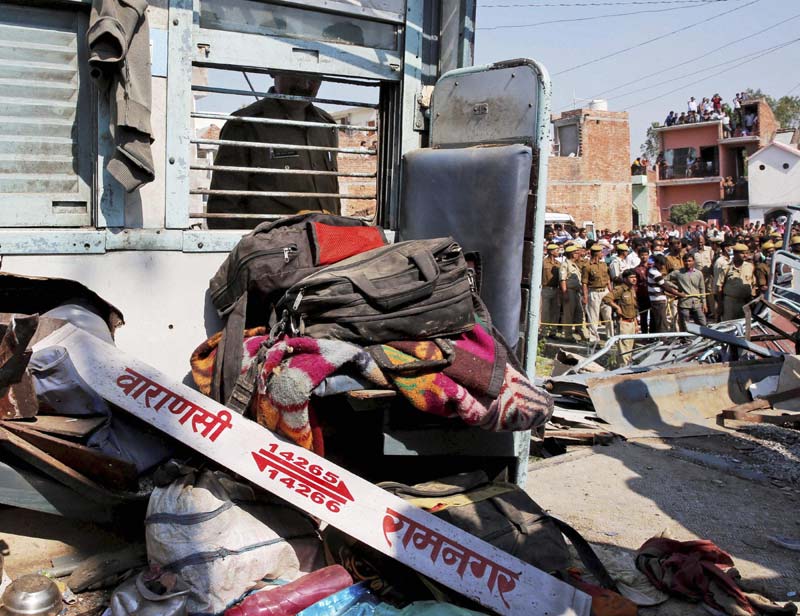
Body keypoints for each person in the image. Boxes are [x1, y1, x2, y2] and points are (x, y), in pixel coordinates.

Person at [207, 74, 340, 229]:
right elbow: (223, 211)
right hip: (274, 249)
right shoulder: (246, 125)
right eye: (296, 75)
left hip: (328, 245)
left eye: (313, 78)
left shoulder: (326, 125)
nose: (304, 85)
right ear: (273, 71)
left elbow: (333, 199)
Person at [603, 269, 639, 365]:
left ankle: (626, 366)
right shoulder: (620, 289)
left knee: (631, 348)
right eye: (631, 277)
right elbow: (607, 298)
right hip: (623, 322)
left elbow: (633, 309)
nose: (634, 279)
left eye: (635, 277)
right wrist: (617, 307)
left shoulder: (632, 290)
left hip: (631, 322)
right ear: (625, 279)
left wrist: (636, 324)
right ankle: (623, 368)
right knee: (624, 349)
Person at [666, 254, 708, 329]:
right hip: (684, 302)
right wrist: (676, 287)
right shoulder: (678, 273)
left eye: (689, 261)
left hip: (696, 302)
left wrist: (704, 303)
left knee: (702, 323)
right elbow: (665, 280)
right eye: (685, 261)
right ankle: (684, 340)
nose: (687, 263)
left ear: (693, 262)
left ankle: (705, 338)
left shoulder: (698, 273)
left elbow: (702, 288)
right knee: (685, 325)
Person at [583, 244, 613, 342]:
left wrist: (610, 292)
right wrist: (585, 296)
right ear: (596, 253)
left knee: (608, 315)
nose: (602, 254)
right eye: (601, 252)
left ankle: (610, 336)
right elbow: (584, 283)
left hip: (605, 291)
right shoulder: (587, 266)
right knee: (593, 316)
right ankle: (594, 338)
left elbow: (608, 279)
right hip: (594, 292)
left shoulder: (604, 265)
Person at [718, 244, 755, 320]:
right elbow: (719, 287)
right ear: (735, 254)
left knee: (743, 325)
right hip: (730, 302)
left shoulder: (750, 266)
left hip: (745, 302)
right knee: (728, 325)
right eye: (742, 253)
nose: (745, 255)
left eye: (746, 253)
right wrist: (720, 305)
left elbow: (753, 284)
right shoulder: (726, 267)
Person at [559, 245, 585, 341]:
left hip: (577, 292)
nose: (578, 254)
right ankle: (568, 335)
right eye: (576, 253)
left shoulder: (575, 264)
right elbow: (563, 279)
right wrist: (565, 293)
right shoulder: (565, 264)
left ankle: (581, 333)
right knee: (568, 314)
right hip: (569, 291)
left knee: (579, 313)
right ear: (572, 254)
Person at [540, 244, 562, 338]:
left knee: (555, 311)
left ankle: (553, 332)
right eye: (556, 250)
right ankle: (543, 331)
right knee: (545, 311)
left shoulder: (558, 264)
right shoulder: (543, 263)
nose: (558, 252)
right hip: (546, 289)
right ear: (551, 251)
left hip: (556, 289)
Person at [647, 254, 670, 333]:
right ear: (656, 263)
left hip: (658, 299)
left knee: (657, 320)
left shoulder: (654, 271)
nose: (663, 267)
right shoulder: (655, 273)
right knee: (662, 321)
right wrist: (679, 294)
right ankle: (664, 339)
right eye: (661, 264)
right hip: (657, 300)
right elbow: (665, 286)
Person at [634, 246, 651, 333]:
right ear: (639, 256)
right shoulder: (636, 269)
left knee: (653, 317)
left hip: (652, 295)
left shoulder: (652, 267)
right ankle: (644, 336)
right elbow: (635, 285)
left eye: (646, 255)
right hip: (642, 295)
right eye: (642, 255)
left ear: (648, 255)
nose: (644, 257)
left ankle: (653, 336)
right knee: (643, 316)